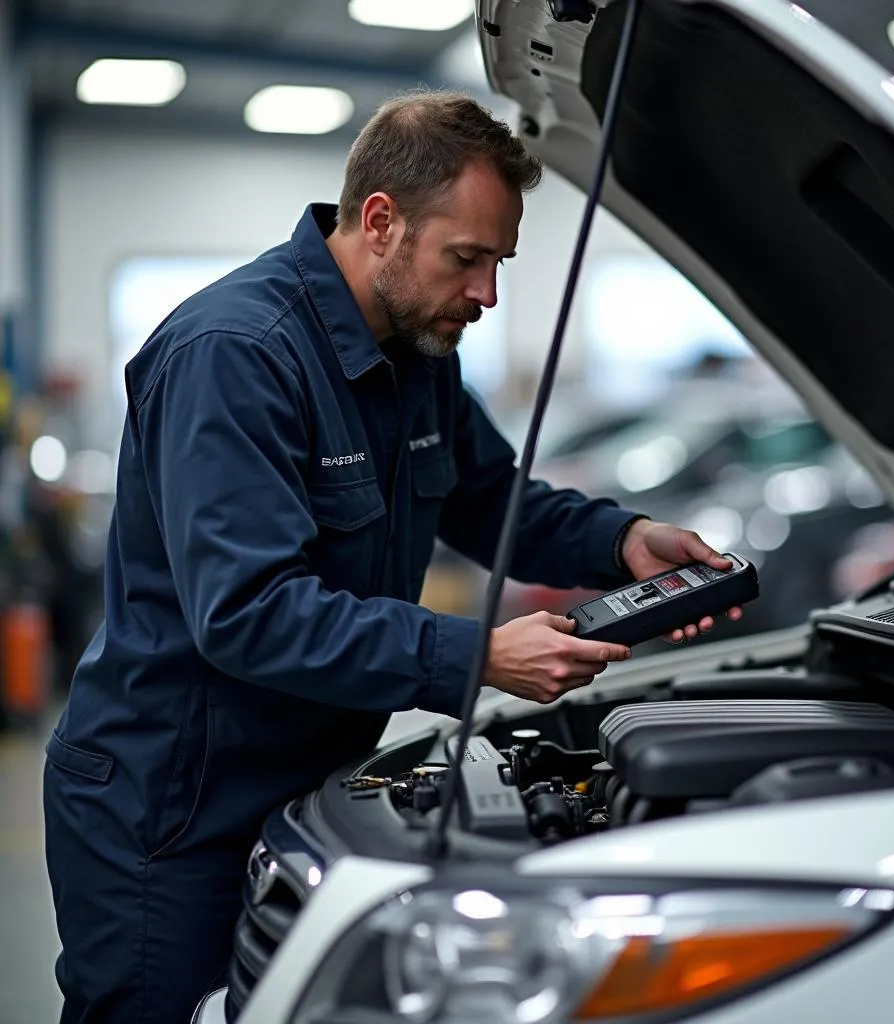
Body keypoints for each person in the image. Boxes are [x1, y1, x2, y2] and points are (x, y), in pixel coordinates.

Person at [42, 90, 741, 1024]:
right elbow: (249, 612)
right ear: (381, 223)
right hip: (170, 813)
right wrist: (476, 655)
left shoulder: (418, 351)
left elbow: (492, 498)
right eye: (468, 259)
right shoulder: (235, 355)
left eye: (500, 262)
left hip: (301, 788)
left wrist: (621, 541)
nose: (487, 294)